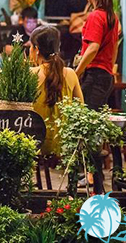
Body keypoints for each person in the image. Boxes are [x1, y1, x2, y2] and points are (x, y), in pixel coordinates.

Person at [30, 26, 84, 156]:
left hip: (35, 144)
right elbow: (81, 109)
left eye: (31, 47)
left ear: (36, 50)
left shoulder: (29, 74)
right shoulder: (70, 74)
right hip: (65, 145)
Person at [74, 0, 120, 109]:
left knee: (87, 119)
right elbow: (115, 47)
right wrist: (109, 69)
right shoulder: (112, 16)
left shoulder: (95, 16)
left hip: (94, 76)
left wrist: (77, 72)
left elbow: (93, 48)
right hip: (106, 76)